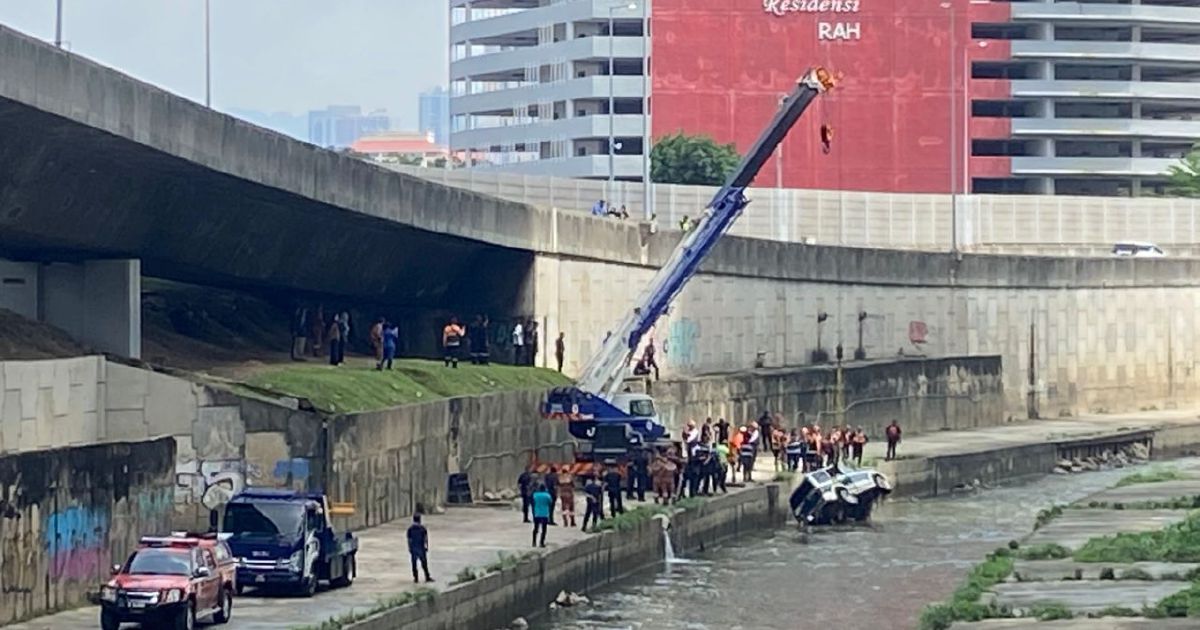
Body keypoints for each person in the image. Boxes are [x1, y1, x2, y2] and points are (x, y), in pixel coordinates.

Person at [406, 514, 434, 583]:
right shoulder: (422, 528)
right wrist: (426, 546)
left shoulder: (410, 529)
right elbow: (425, 539)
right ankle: (427, 577)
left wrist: (409, 548)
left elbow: (409, 539)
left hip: (414, 548)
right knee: (424, 563)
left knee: (414, 564)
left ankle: (416, 578)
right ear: (420, 519)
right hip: (421, 548)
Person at [531, 483, 552, 548]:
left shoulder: (535, 495)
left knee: (536, 528)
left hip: (537, 513)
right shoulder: (547, 495)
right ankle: (541, 542)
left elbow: (533, 502)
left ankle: (534, 542)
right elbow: (550, 502)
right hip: (545, 514)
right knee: (544, 529)